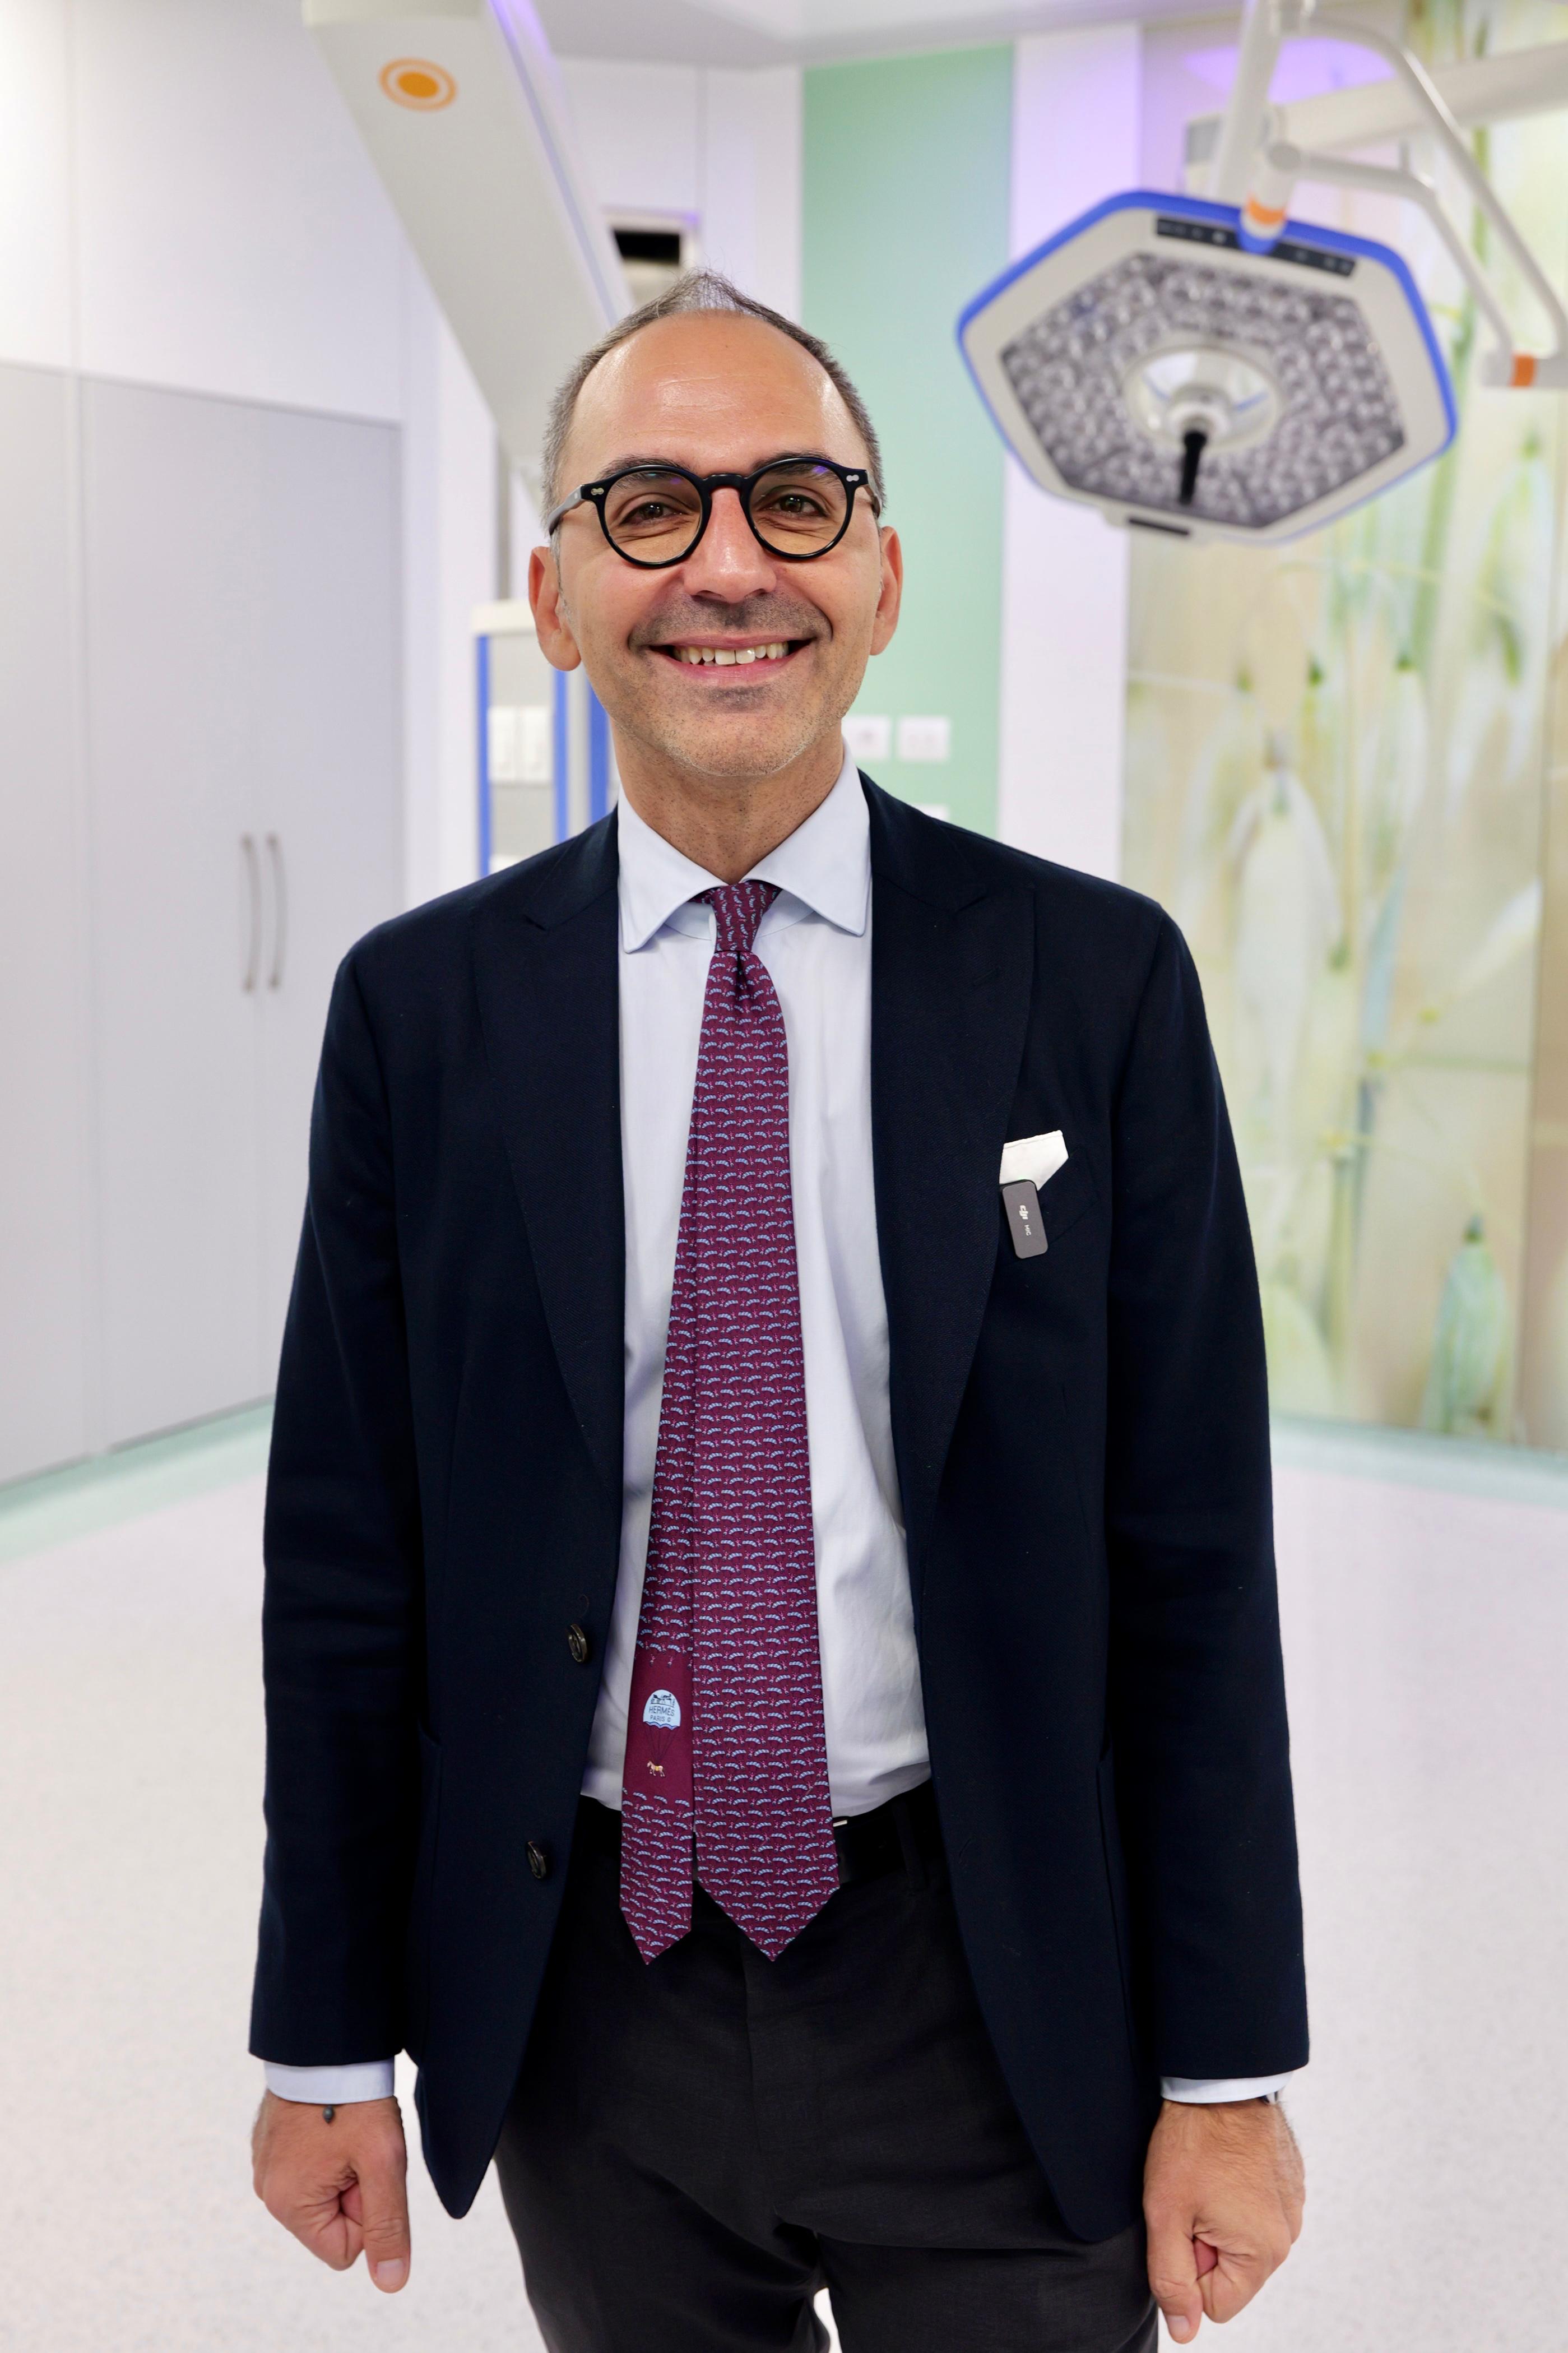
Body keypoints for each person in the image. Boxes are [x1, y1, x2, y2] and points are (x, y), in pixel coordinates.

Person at [249, 270, 1307, 2352]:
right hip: (588, 1992)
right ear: (556, 598)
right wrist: (320, 2035)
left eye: (795, 502)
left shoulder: (1093, 987)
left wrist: (1227, 2070)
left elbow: (1193, 1559)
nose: (728, 566)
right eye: (648, 507)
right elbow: (352, 1564)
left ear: (882, 578)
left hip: (997, 1976)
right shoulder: (422, 1017)